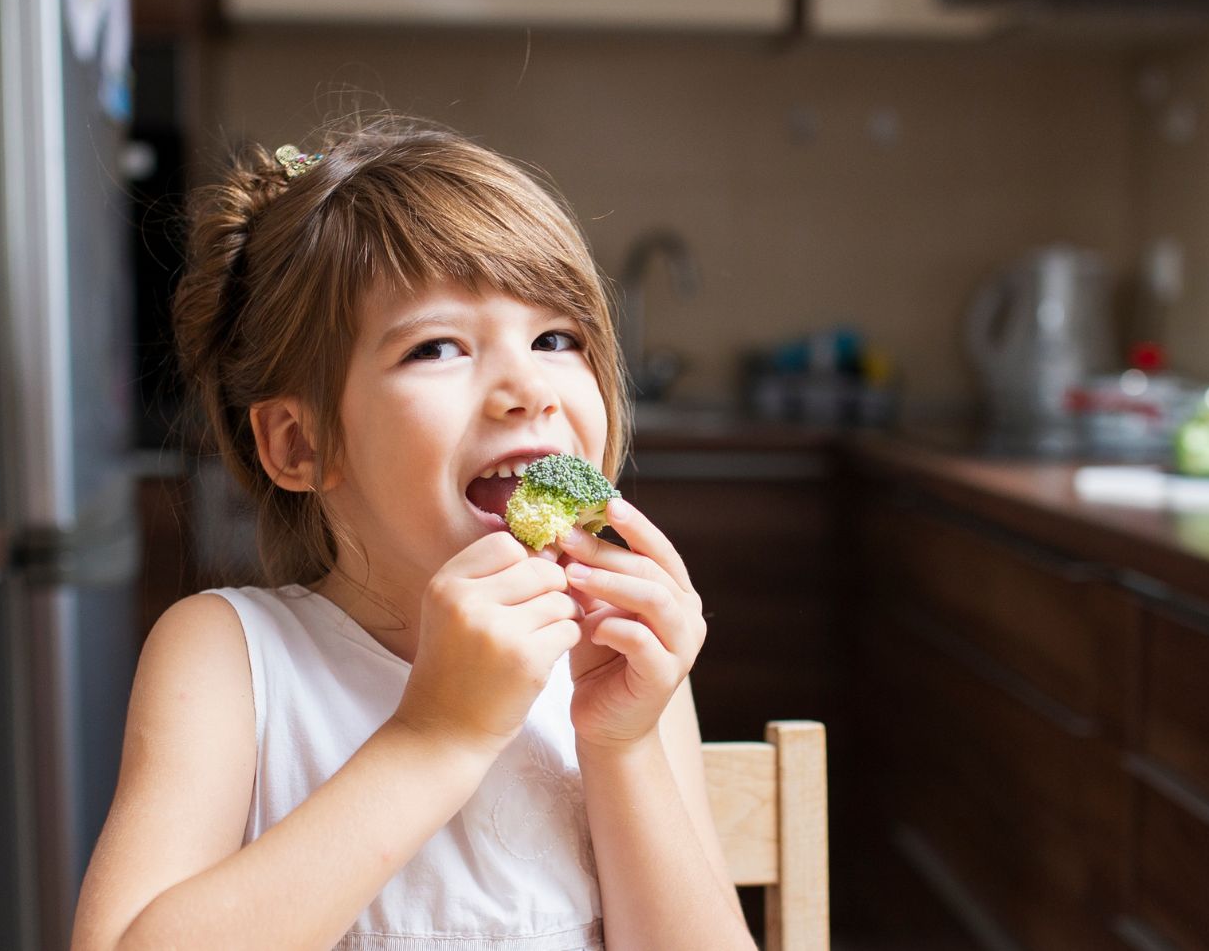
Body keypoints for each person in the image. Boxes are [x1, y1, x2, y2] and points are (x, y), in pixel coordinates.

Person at [71, 115, 752, 950]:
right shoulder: (230, 657)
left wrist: (622, 744)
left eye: (556, 337)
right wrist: (438, 732)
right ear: (300, 442)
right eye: (437, 347)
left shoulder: (620, 662)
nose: (527, 388)